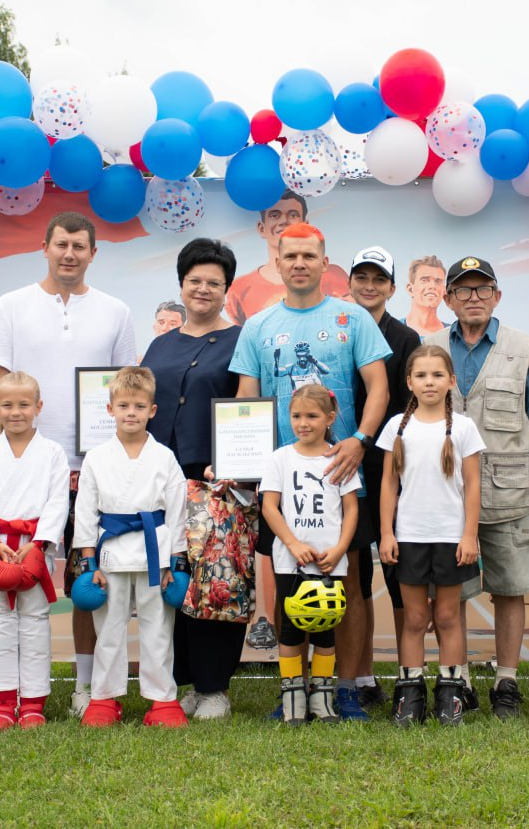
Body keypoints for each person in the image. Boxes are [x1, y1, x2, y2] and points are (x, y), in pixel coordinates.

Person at [0, 211, 137, 718]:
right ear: (44, 246)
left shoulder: (115, 311)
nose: (70, 253)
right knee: (21, 582)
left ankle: (88, 686)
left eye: (80, 246)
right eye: (61, 243)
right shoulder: (9, 306)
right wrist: (4, 458)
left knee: (90, 578)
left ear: (94, 253)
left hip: (95, 468)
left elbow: (125, 390)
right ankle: (18, 693)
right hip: (29, 474)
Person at [230, 222, 391, 718]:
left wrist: (360, 442)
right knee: (288, 585)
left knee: (347, 578)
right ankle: (293, 691)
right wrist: (243, 462)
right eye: (290, 256)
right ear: (277, 263)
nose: (299, 263)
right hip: (283, 478)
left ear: (325, 262)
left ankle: (344, 687)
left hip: (339, 471)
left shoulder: (353, 319)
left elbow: (379, 388)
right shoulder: (257, 325)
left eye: (308, 256)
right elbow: (246, 400)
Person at [424, 256, 529, 719]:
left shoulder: (524, 346)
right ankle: (458, 678)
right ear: (449, 299)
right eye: (463, 290)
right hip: (445, 495)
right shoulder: (431, 345)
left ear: (497, 296)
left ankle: (507, 681)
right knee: (448, 592)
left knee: (510, 588)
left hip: (509, 490)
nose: (473, 298)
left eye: (483, 290)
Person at [141, 238, 247, 720]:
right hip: (159, 483)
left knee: (217, 584)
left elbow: (247, 407)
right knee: (172, 582)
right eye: (195, 281)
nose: (203, 289)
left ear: (226, 288)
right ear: (181, 286)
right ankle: (183, 682)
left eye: (214, 283)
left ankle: (215, 687)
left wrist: (231, 463)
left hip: (214, 484)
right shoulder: (160, 344)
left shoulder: (241, 339)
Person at [73, 367, 190, 728]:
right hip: (110, 553)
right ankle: (104, 698)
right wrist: (87, 563)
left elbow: (177, 511)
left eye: (139, 406)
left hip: (156, 551)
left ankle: (163, 700)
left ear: (152, 411)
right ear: (109, 409)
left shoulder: (164, 457)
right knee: (108, 628)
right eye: (123, 405)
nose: (131, 413)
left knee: (158, 629)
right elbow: (85, 512)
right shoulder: (96, 457)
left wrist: (176, 561)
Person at [377, 345, 484, 726]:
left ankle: (451, 693)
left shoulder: (465, 428)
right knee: (415, 618)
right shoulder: (396, 427)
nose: (429, 382)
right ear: (409, 382)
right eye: (421, 375)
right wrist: (386, 533)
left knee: (447, 617)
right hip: (409, 537)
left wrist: (469, 535)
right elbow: (389, 485)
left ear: (451, 381)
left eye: (438, 375)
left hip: (450, 537)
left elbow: (473, 486)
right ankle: (410, 694)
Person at [0, 371, 70, 729]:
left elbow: (58, 503)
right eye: (7, 405)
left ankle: (34, 703)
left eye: (24, 404)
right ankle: (3, 703)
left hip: (34, 550)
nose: (16, 412)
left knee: (35, 622)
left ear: (38, 407)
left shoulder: (52, 453)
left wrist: (38, 544)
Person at [260, 384, 361, 725]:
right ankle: (293, 696)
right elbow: (270, 507)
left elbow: (351, 509)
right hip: (292, 561)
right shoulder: (280, 458)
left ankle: (321, 695)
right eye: (296, 416)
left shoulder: (338, 457)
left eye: (312, 416)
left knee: (325, 627)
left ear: (330, 418)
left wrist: (341, 548)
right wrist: (293, 544)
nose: (303, 423)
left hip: (330, 561)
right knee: (290, 628)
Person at [348, 246, 421, 712]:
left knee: (399, 574)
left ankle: (406, 674)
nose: (370, 285)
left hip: (394, 468)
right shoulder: (337, 328)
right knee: (354, 571)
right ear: (350, 282)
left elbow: (414, 401)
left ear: (393, 288)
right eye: (362, 276)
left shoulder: (406, 336)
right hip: (344, 464)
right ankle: (361, 675)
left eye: (379, 278)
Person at [224, 190, 350, 325]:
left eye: (293, 215)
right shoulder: (239, 289)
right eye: (274, 215)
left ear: (306, 225)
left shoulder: (333, 275)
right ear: (261, 228)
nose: (284, 221)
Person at [404, 255, 447, 337]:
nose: (432, 286)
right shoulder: (393, 331)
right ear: (410, 289)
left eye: (438, 281)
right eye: (425, 280)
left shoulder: (452, 335)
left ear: (444, 291)